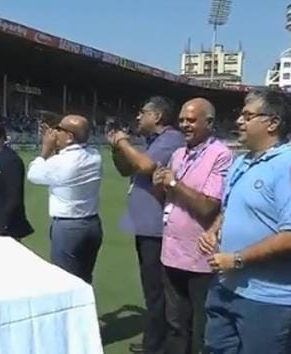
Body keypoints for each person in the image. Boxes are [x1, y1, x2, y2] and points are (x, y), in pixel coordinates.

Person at [199, 89, 291, 354]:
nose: (239, 120)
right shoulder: (242, 162)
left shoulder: (290, 166)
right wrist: (213, 231)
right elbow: (229, 208)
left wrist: (237, 258)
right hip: (226, 286)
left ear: (272, 123)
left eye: (248, 115)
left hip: (270, 299)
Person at [152, 98, 232, 354]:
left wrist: (174, 184)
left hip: (200, 257)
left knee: (202, 327)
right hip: (171, 252)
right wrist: (159, 185)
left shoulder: (221, 155)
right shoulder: (178, 154)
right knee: (176, 324)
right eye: (183, 120)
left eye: (192, 120)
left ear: (209, 122)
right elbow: (167, 200)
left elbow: (209, 207)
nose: (185, 125)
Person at [108, 96, 184, 354]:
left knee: (158, 291)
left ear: (158, 117)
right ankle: (155, 341)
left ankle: (157, 346)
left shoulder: (171, 139)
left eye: (143, 113)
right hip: (146, 227)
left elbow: (146, 165)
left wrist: (123, 141)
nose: (138, 117)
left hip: (158, 229)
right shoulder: (154, 142)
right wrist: (117, 149)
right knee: (152, 289)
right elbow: (125, 170)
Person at [27, 114, 103, 284]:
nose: (54, 132)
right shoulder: (95, 156)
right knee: (84, 280)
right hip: (92, 225)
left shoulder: (59, 162)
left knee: (64, 282)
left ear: (69, 137)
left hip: (68, 227)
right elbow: (72, 154)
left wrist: (45, 150)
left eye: (59, 129)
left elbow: (33, 175)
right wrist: (59, 144)